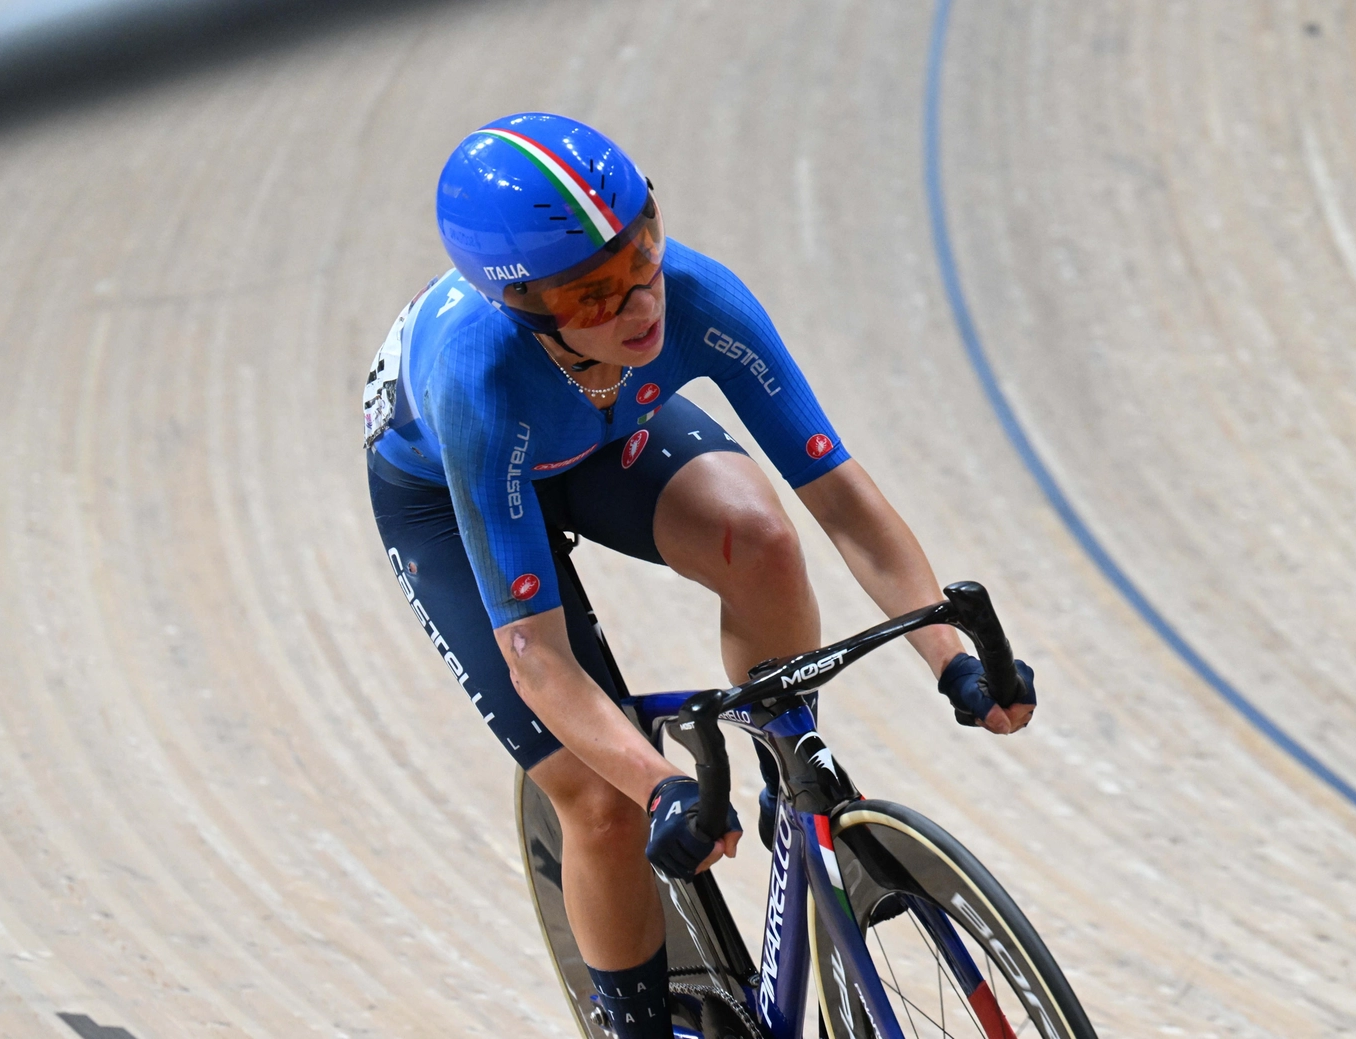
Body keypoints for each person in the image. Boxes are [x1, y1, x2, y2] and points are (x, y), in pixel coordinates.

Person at [364, 112, 1036, 1039]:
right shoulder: (480, 383)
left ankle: (784, 773)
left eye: (640, 248)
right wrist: (660, 786)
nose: (641, 305)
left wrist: (949, 655)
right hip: (450, 490)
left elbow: (841, 501)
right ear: (521, 307)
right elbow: (541, 661)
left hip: (602, 432)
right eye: (594, 294)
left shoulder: (696, 295)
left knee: (762, 541)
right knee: (598, 802)